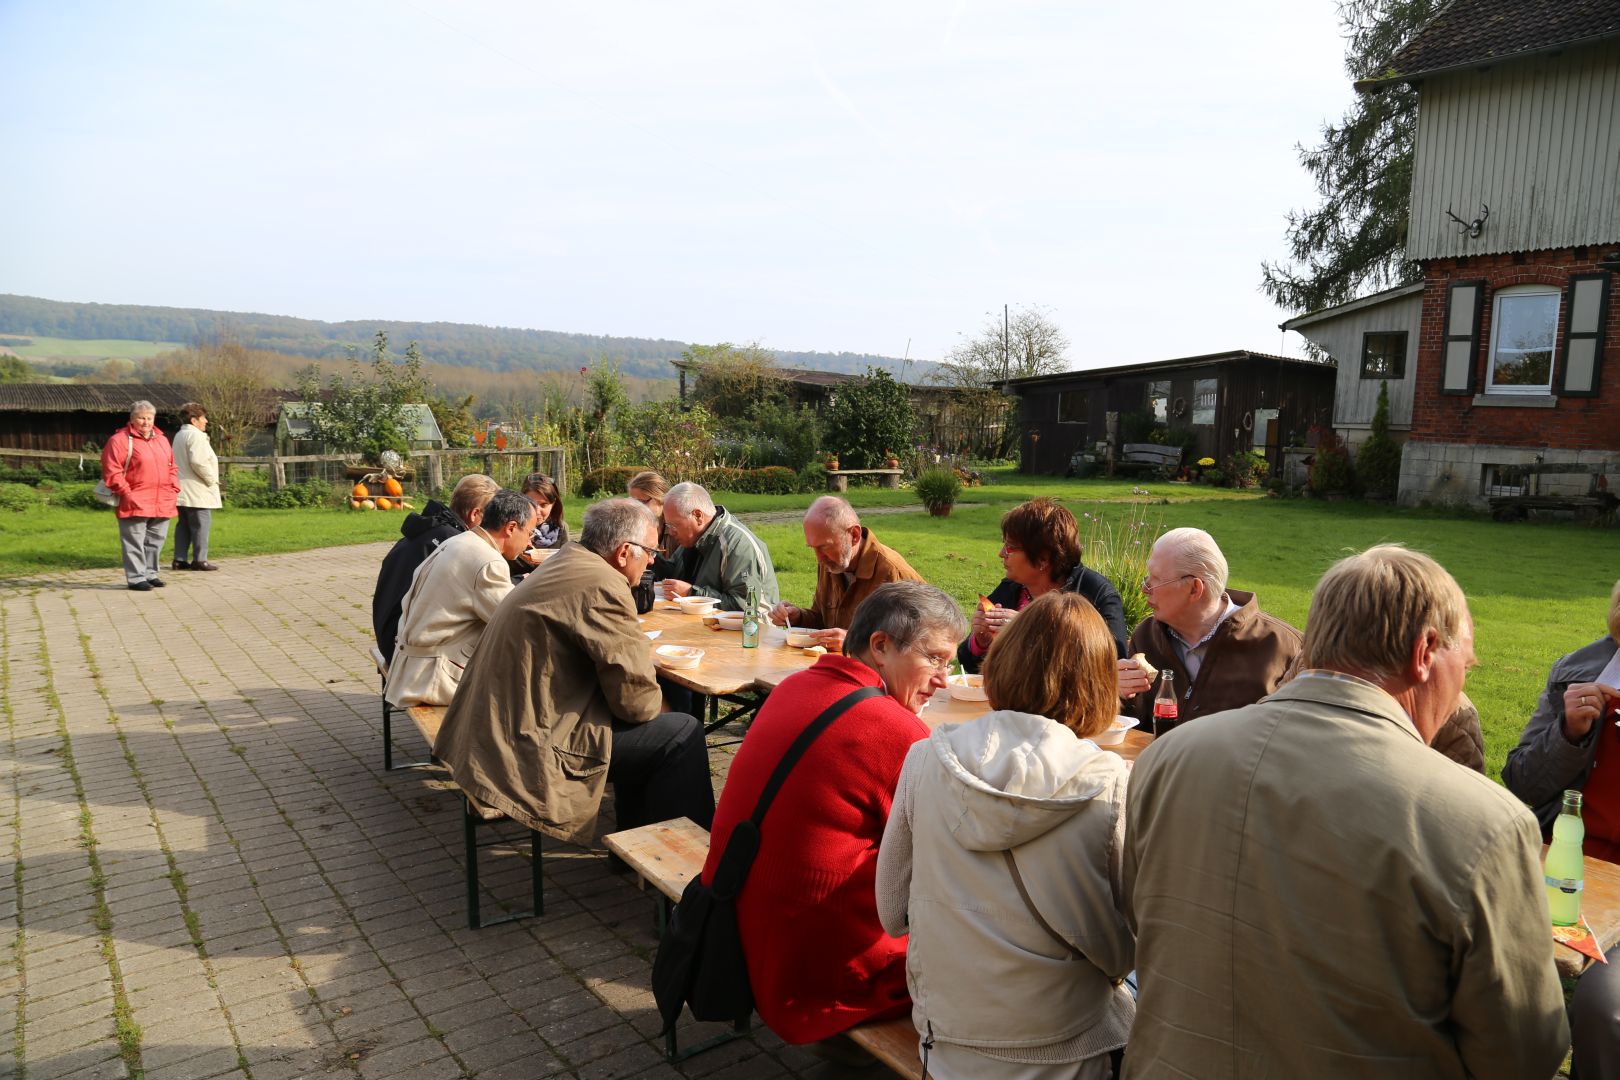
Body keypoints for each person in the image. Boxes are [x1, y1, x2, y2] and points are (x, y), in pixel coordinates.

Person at [1122, 545, 1569, 1079]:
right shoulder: (1487, 823)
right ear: (1425, 651)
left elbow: (1139, 922)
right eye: (1465, 665)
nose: (1461, 689)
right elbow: (1523, 1052)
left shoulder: (1168, 758)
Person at [878, 592, 1134, 1079]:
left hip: (948, 1038)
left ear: (1003, 661)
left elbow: (892, 914)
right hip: (1067, 1044)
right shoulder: (1110, 783)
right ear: (1099, 683)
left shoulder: (926, 759)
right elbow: (1129, 943)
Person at [699, 581, 965, 1047]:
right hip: (813, 974)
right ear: (880, 646)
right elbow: (952, 861)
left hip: (741, 922)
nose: (943, 679)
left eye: (950, 664)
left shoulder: (796, 684)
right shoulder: (895, 731)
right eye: (935, 659)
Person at [434, 498, 714, 840]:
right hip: (522, 748)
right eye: (651, 551)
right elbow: (636, 703)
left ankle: (634, 846)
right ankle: (694, 859)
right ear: (624, 552)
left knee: (655, 728)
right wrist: (661, 706)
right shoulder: (603, 583)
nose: (654, 559)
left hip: (492, 731)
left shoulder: (567, 559)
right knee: (682, 733)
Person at [1502, 580, 1620, 1080]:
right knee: (1477, 958)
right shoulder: (1578, 672)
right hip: (1562, 865)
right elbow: (1521, 781)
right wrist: (1568, 734)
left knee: (1605, 1007)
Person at [1116, 526, 1300, 732]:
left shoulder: (1283, 646)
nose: (1144, 588)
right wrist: (1116, 694)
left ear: (1195, 589)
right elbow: (1128, 725)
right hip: (1157, 754)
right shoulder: (1147, 636)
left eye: (1156, 580)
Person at [384, 490, 536, 709]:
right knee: (529, 689)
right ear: (511, 528)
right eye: (530, 533)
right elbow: (514, 623)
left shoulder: (460, 540)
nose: (530, 543)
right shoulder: (488, 560)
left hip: (411, 668)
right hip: (433, 679)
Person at [958, 498, 1127, 673]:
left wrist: (1029, 629)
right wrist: (981, 643)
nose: (1001, 553)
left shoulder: (1096, 593)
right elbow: (969, 667)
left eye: (1010, 547)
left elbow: (1114, 664)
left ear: (1042, 559)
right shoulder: (1011, 588)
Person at [766, 496, 923, 653]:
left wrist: (853, 641)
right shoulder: (832, 564)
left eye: (824, 547)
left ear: (854, 535)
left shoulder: (892, 573)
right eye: (813, 548)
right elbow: (822, 621)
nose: (819, 558)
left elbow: (914, 645)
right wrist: (798, 617)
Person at [372, 474, 498, 666]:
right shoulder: (455, 543)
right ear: (475, 514)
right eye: (491, 518)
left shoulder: (432, 528)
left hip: (390, 634)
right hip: (404, 648)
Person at [659, 481, 778, 613]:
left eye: (674, 525)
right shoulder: (695, 537)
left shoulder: (737, 545)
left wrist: (691, 593)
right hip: (706, 621)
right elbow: (674, 572)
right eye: (668, 526)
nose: (671, 532)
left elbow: (745, 605)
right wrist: (650, 557)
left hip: (755, 625)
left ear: (698, 516)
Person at [101, 400, 180, 592]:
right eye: (141, 418)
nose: (146, 422)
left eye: (149, 418)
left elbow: (172, 466)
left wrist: (174, 487)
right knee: (134, 540)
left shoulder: (162, 439)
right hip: (135, 499)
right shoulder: (119, 440)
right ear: (132, 419)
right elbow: (112, 470)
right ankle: (136, 578)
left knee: (156, 540)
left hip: (163, 499)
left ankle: (151, 574)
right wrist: (126, 493)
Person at [170, 401, 221, 572]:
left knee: (183, 525)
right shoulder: (196, 436)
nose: (206, 421)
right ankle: (200, 560)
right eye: (203, 418)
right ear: (193, 420)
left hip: (182, 488)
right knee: (201, 524)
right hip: (197, 489)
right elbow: (198, 462)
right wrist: (211, 480)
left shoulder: (179, 435)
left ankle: (179, 559)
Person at [627, 470, 680, 578]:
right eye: (633, 502)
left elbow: (680, 571)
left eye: (641, 502)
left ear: (660, 498)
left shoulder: (677, 528)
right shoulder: (631, 527)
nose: (636, 508)